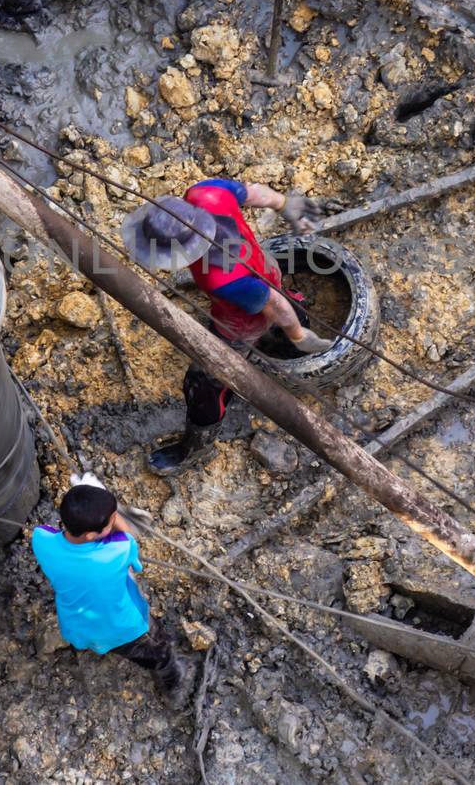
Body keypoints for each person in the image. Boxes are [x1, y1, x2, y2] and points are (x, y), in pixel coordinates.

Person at [122, 178, 328, 471]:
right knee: (283, 301)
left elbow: (273, 304)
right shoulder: (205, 193)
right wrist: (285, 204)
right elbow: (256, 193)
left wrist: (298, 334)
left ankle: (196, 450)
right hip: (263, 265)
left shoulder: (218, 278)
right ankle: (290, 338)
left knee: (204, 383)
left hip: (243, 317)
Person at [30, 474, 192, 707]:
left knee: (105, 639)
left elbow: (49, 531)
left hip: (76, 625)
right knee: (159, 652)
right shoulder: (114, 554)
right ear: (90, 535)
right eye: (110, 520)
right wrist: (113, 514)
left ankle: (100, 648)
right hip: (126, 628)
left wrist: (92, 500)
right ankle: (175, 685)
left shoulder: (40, 540)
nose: (115, 519)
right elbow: (127, 537)